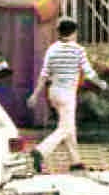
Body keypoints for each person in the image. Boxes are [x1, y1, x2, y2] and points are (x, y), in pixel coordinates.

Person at [32, 17, 100, 173]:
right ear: (74, 32)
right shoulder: (78, 50)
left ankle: (76, 161)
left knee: (69, 126)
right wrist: (101, 82)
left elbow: (44, 73)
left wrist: (36, 93)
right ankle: (41, 151)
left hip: (53, 92)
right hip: (67, 94)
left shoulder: (52, 49)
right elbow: (88, 71)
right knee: (65, 128)